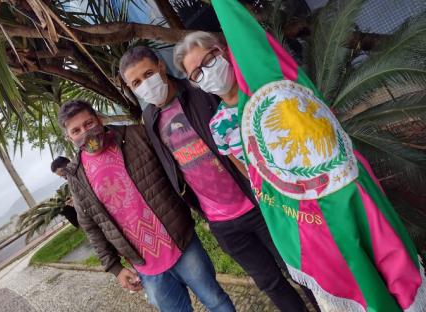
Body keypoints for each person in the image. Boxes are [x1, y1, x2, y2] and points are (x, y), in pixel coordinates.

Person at [173, 30, 426, 311]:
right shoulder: (219, 126)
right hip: (298, 213)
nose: (207, 72)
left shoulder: (271, 89)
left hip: (334, 193)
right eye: (196, 73)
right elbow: (250, 174)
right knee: (348, 275)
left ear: (223, 52)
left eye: (209, 60)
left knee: (380, 257)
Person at [119, 46, 316, 312]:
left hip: (257, 203)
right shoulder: (150, 118)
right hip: (222, 223)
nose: (145, 84)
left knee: (300, 270)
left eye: (148, 73)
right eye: (136, 82)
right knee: (269, 283)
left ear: (162, 67)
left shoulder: (200, 90)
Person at [59, 100, 235, 312]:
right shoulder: (77, 177)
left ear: (99, 119)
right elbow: (91, 226)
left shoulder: (135, 136)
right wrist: (114, 268)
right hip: (145, 267)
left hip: (182, 243)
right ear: (69, 137)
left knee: (216, 301)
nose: (85, 133)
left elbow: (178, 172)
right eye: (76, 130)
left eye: (88, 124)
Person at [50, 156, 79, 228]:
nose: (65, 178)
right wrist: (74, 199)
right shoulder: (73, 181)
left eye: (63, 175)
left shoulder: (82, 175)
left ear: (68, 165)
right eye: (61, 176)